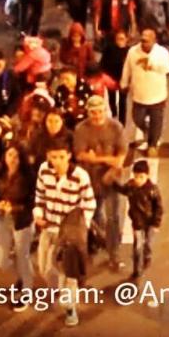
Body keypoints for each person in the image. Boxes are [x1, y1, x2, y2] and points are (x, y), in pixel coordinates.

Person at [33, 139, 96, 327]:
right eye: (53, 157)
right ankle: (57, 292)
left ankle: (70, 307)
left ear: (69, 155)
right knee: (45, 268)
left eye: (61, 157)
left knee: (68, 273)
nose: (57, 161)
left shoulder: (80, 176)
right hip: (49, 227)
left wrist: (78, 228)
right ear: (47, 156)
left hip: (68, 235)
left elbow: (89, 203)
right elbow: (39, 195)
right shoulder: (44, 170)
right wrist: (38, 214)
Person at [73, 96, 127, 271]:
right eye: (93, 112)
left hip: (111, 179)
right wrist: (108, 159)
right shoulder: (81, 129)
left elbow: (120, 159)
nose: (97, 116)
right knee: (93, 216)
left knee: (114, 218)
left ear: (105, 111)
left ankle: (114, 254)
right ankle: (100, 242)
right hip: (90, 180)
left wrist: (96, 158)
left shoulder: (115, 127)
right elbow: (80, 155)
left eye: (100, 111)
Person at [0, 145, 36, 312]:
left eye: (16, 156)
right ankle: (22, 276)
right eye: (9, 155)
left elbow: (32, 202)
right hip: (4, 218)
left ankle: (27, 291)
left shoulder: (28, 177)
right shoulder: (0, 173)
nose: (12, 159)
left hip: (22, 220)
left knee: (22, 256)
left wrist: (15, 208)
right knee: (1, 260)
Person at [122, 28, 169, 156]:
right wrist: (124, 82)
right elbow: (127, 67)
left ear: (154, 41)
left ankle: (153, 144)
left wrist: (151, 64)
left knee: (157, 120)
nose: (144, 43)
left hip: (157, 94)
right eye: (142, 40)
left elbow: (168, 68)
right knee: (137, 118)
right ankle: (148, 131)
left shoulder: (162, 53)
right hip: (139, 93)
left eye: (147, 41)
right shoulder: (133, 52)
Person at [114, 160, 162, 282]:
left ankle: (147, 256)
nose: (138, 180)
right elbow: (123, 190)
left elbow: (159, 207)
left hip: (150, 222)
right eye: (136, 176)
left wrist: (156, 223)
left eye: (141, 177)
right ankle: (137, 270)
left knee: (148, 243)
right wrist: (113, 184)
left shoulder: (152, 190)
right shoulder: (131, 186)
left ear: (147, 176)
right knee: (137, 247)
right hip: (137, 223)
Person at [101, 30, 130, 124]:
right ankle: (114, 115)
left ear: (126, 40)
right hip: (111, 78)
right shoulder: (109, 49)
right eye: (118, 39)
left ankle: (122, 122)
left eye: (122, 39)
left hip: (124, 80)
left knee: (123, 101)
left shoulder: (129, 51)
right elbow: (103, 63)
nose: (120, 41)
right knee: (111, 99)